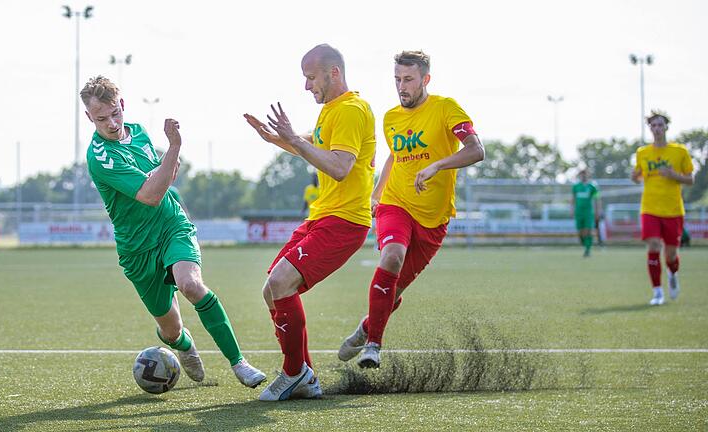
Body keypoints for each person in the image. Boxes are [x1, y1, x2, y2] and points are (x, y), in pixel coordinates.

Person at [81, 75, 265, 388]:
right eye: (101, 118)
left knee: (191, 284)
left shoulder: (138, 132)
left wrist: (166, 167)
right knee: (172, 331)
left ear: (122, 105)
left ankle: (239, 363)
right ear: (89, 117)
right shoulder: (99, 157)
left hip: (171, 225)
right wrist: (174, 150)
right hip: (137, 250)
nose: (111, 123)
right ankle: (185, 345)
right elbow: (152, 192)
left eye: (115, 114)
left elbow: (164, 179)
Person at [244, 44, 375, 401]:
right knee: (271, 289)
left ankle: (293, 372)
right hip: (323, 217)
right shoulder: (334, 110)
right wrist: (277, 138)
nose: (306, 86)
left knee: (280, 282)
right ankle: (304, 374)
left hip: (344, 221)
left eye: (310, 77)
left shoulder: (350, 110)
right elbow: (313, 144)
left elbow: (338, 166)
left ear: (334, 73)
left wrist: (290, 139)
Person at [338, 50, 484, 368]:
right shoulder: (391, 117)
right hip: (396, 203)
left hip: (434, 218)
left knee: (396, 288)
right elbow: (394, 156)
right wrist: (376, 195)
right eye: (397, 80)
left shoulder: (446, 108)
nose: (401, 87)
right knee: (391, 255)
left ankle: (366, 329)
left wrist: (437, 166)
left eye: (408, 80)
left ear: (425, 79)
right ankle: (373, 346)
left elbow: (476, 150)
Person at [631, 111, 694, 306]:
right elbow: (638, 175)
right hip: (649, 207)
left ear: (666, 127)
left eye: (660, 125)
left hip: (673, 209)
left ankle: (672, 273)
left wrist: (674, 175)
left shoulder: (680, 151)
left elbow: (691, 179)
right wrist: (635, 176)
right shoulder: (643, 152)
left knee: (671, 254)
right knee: (653, 246)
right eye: (653, 126)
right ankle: (657, 292)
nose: (657, 129)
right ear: (650, 128)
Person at [571, 169, 600, 257]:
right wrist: (572, 210)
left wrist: (597, 211)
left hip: (588, 212)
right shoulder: (576, 187)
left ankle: (588, 249)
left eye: (585, 174)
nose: (583, 176)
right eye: (581, 175)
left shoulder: (592, 187)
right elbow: (573, 199)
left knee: (588, 230)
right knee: (580, 231)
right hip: (578, 212)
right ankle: (585, 244)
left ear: (588, 175)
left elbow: (597, 200)